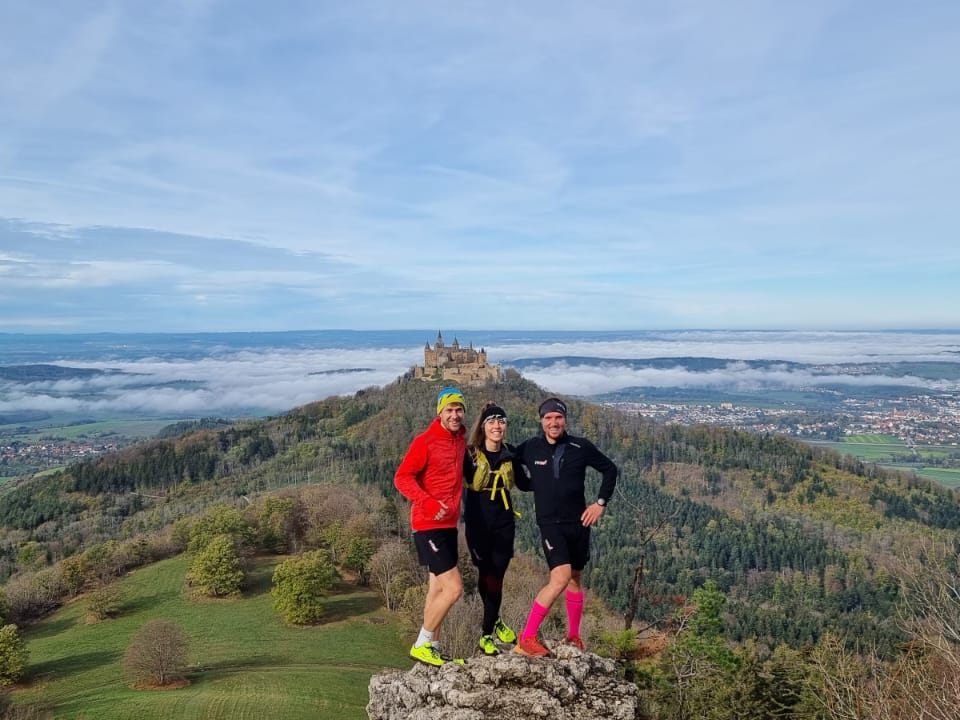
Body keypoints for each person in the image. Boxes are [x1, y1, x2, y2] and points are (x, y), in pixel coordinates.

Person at [513, 397, 618, 656]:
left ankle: (573, 635)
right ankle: (527, 637)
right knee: (560, 577)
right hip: (550, 524)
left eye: (558, 417)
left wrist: (600, 503)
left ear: (565, 420)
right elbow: (510, 461)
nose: (553, 422)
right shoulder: (530, 447)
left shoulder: (580, 446)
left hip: (579, 522)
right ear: (541, 421)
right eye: (548, 418)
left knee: (575, 577)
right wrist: (529, 483)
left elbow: (610, 469)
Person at [394, 386, 468, 666]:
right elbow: (402, 478)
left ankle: (432, 647)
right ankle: (422, 643)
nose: (454, 415)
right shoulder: (425, 441)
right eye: (449, 410)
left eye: (459, 409)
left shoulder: (460, 441)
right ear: (440, 412)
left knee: (437, 589)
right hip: (427, 524)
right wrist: (428, 502)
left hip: (448, 526)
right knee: (454, 589)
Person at [463, 402, 521, 655]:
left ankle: (486, 634)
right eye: (492, 421)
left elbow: (526, 482)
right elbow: (449, 478)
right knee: (485, 574)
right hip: (477, 525)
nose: (497, 426)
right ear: (483, 426)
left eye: (501, 421)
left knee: (497, 577)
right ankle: (495, 619)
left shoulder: (511, 454)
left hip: (504, 524)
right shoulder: (469, 455)